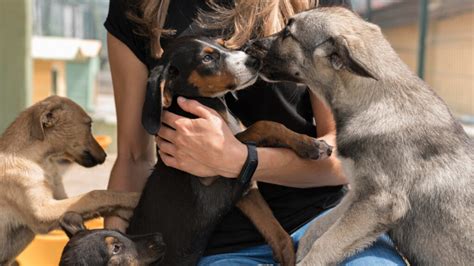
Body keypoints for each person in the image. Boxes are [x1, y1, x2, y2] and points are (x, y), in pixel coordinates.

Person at [104, 0, 406, 265]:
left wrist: (241, 161)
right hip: (218, 249)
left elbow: (347, 154)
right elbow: (133, 158)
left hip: (324, 223)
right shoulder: (138, 8)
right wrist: (111, 251)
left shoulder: (316, 7)